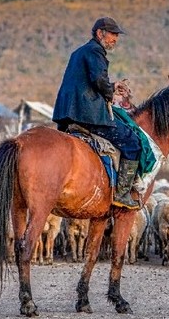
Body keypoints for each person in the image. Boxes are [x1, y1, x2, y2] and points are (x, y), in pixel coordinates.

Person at [52, 16, 142, 209]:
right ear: (100, 33)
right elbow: (98, 80)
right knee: (133, 143)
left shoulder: (79, 52)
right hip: (87, 114)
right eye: (112, 35)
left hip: (67, 113)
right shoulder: (95, 50)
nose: (115, 39)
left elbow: (87, 81)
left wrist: (112, 86)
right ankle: (122, 194)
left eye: (117, 36)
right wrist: (110, 91)